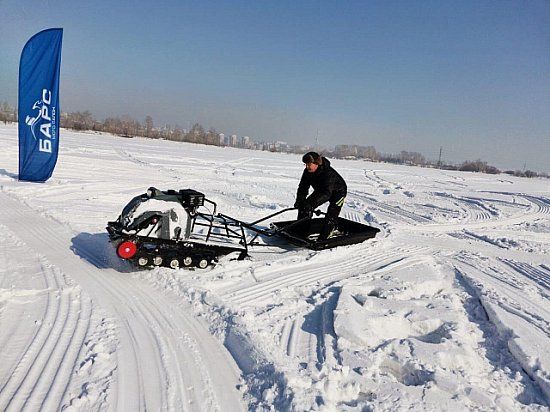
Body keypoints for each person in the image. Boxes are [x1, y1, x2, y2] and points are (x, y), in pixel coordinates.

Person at [294, 152, 347, 241]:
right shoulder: (307, 171)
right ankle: (301, 233)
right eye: (306, 164)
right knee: (304, 207)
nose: (307, 167)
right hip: (321, 190)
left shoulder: (328, 173)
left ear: (316, 163)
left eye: (309, 164)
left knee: (331, 215)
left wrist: (311, 204)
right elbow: (303, 187)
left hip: (338, 192)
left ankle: (325, 237)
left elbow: (326, 193)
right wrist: (300, 200)